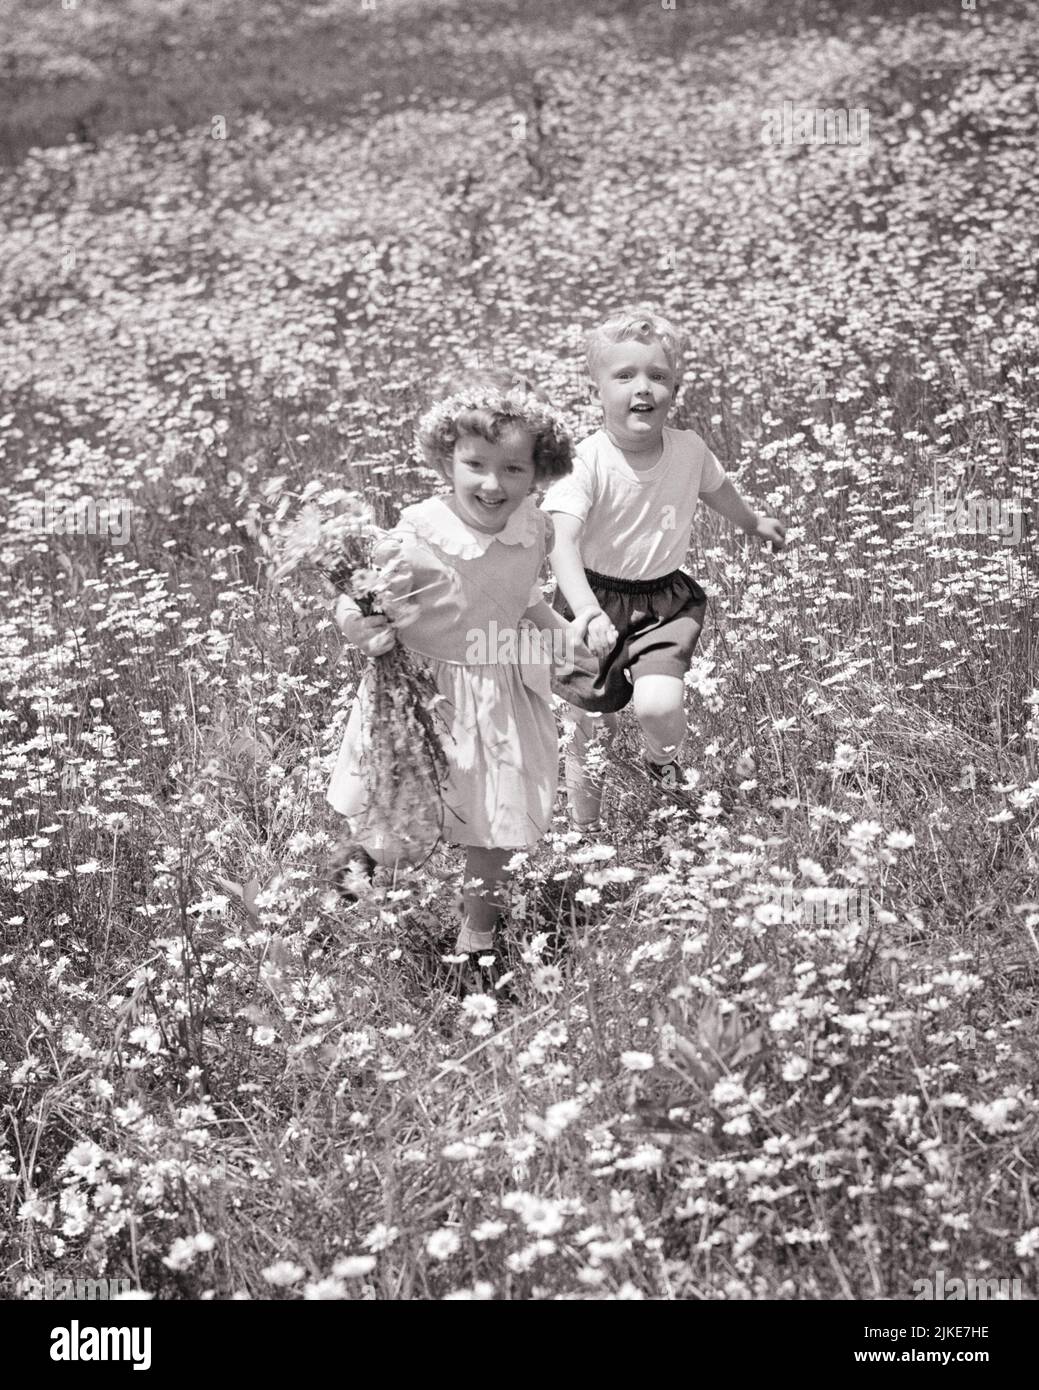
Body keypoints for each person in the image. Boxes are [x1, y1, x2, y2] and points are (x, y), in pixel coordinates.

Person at [328, 371, 593, 992]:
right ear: (446, 459)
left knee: (497, 819)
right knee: (399, 825)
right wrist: (363, 630)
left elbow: (523, 599)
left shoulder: (534, 529)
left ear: (540, 473)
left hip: (500, 695)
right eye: (475, 464)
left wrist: (566, 638)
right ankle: (364, 863)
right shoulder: (418, 537)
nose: (493, 484)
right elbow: (357, 603)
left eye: (514, 469)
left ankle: (477, 941)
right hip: (421, 698)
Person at [543, 306, 787, 828]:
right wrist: (586, 610)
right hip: (592, 603)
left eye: (658, 376)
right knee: (588, 725)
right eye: (625, 375)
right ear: (596, 393)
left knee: (658, 706)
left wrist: (752, 523)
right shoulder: (584, 461)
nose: (643, 388)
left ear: (675, 388)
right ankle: (586, 833)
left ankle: (661, 762)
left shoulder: (689, 449)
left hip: (663, 602)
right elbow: (560, 542)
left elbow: (718, 490)